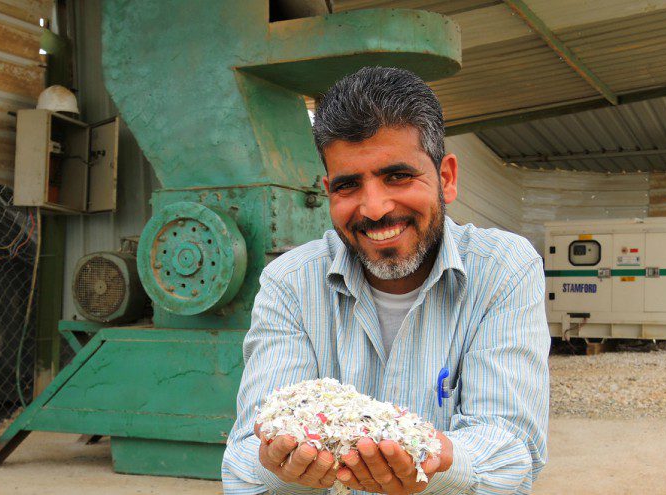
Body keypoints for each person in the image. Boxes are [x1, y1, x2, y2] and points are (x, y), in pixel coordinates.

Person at [222, 66, 549, 495]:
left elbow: (513, 453)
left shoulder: (504, 269)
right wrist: (279, 465)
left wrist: (437, 461)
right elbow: (245, 463)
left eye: (398, 176)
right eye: (348, 185)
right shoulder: (290, 283)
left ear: (446, 178)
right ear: (327, 190)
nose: (374, 208)